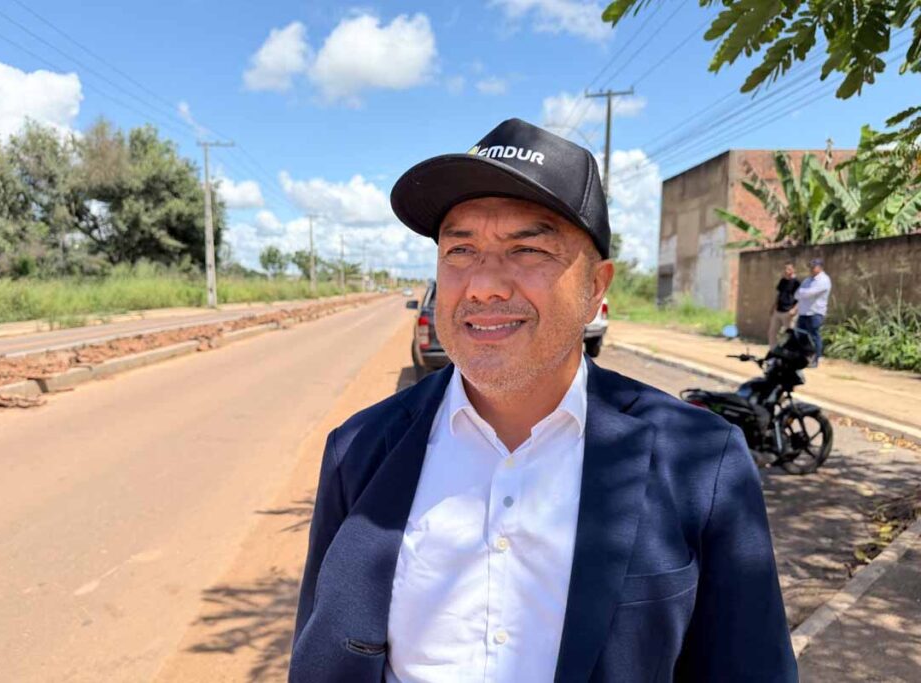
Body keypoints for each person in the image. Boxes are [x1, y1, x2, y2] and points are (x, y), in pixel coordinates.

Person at [289, 119, 797, 683]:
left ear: (596, 288)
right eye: (460, 249)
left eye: (527, 249)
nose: (483, 284)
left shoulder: (701, 462)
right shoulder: (360, 451)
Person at [795, 257, 832, 367]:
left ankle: (818, 358)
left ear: (820, 267)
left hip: (815, 312)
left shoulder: (824, 280)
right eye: (810, 267)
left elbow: (809, 293)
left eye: (813, 266)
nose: (811, 269)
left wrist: (803, 292)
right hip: (803, 312)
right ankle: (804, 357)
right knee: (801, 335)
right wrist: (804, 293)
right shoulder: (807, 280)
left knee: (814, 336)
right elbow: (797, 294)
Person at [768, 262, 800, 349]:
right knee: (772, 332)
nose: (786, 271)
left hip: (788, 311)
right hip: (778, 311)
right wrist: (773, 307)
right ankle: (773, 350)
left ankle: (789, 351)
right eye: (785, 269)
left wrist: (795, 309)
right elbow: (779, 295)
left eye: (789, 269)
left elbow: (800, 298)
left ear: (793, 270)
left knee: (789, 334)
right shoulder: (783, 281)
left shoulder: (796, 283)